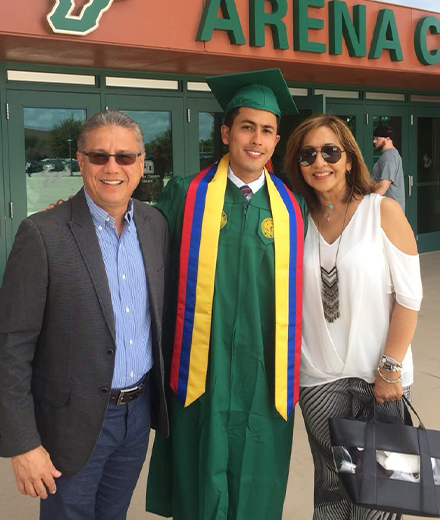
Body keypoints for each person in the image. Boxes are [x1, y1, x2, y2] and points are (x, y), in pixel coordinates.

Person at [146, 69, 307, 520]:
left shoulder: (293, 209)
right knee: (200, 475)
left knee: (257, 476)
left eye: (267, 130)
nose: (256, 139)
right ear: (225, 133)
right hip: (203, 367)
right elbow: (139, 243)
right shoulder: (185, 194)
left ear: (276, 141)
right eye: (246, 127)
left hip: (265, 370)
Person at [0, 110, 169, 520]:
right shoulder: (42, 234)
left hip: (138, 411)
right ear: (80, 161)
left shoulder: (154, 224)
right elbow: (11, 347)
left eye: (125, 157)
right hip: (71, 423)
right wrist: (23, 444)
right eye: (99, 156)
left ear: (141, 162)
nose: (113, 167)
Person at [284, 114, 422, 520]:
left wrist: (390, 369)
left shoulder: (382, 211)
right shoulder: (297, 220)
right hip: (318, 382)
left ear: (349, 158)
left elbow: (410, 298)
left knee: (379, 498)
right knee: (331, 488)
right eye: (308, 154)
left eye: (331, 151)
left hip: (379, 378)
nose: (320, 162)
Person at [373, 125, 405, 211]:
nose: (374, 141)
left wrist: (368, 202)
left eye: (377, 138)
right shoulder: (391, 154)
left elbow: (383, 187)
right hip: (390, 209)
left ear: (387, 139)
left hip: (390, 211)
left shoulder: (389, 157)